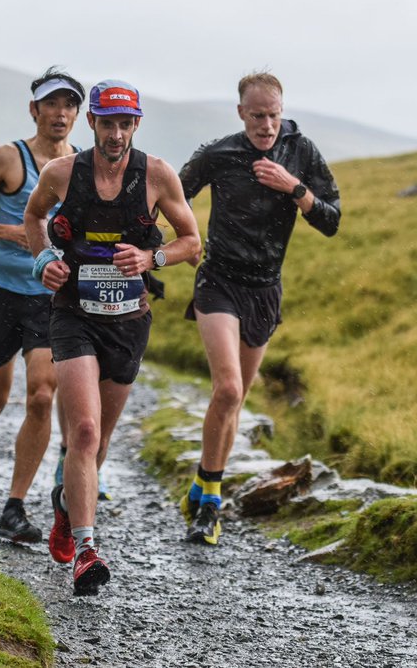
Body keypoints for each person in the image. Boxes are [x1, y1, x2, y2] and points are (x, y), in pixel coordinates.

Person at [25, 78, 200, 596]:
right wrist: (43, 261)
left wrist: (153, 258)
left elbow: (192, 240)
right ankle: (86, 549)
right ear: (92, 123)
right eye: (108, 124)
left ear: (136, 125)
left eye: (126, 124)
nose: (116, 134)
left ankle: (64, 507)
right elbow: (34, 217)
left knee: (98, 441)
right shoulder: (62, 173)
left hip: (128, 321)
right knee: (82, 431)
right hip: (73, 315)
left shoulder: (158, 175)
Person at [177, 72, 341, 546]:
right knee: (227, 389)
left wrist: (294, 188)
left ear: (282, 110)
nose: (267, 125)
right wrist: (174, 243)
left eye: (274, 115)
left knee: (237, 399)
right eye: (257, 116)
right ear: (241, 113)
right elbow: (173, 194)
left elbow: (331, 220)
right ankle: (209, 503)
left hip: (265, 289)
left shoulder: (301, 151)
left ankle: (203, 483)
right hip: (219, 281)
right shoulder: (220, 153)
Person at [0, 67, 85, 549]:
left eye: (69, 105)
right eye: (52, 103)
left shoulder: (81, 166)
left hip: (50, 297)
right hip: (1, 289)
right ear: (34, 110)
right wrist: (16, 232)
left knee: (42, 395)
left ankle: (14, 506)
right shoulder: (7, 158)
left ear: (78, 115)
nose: (61, 113)